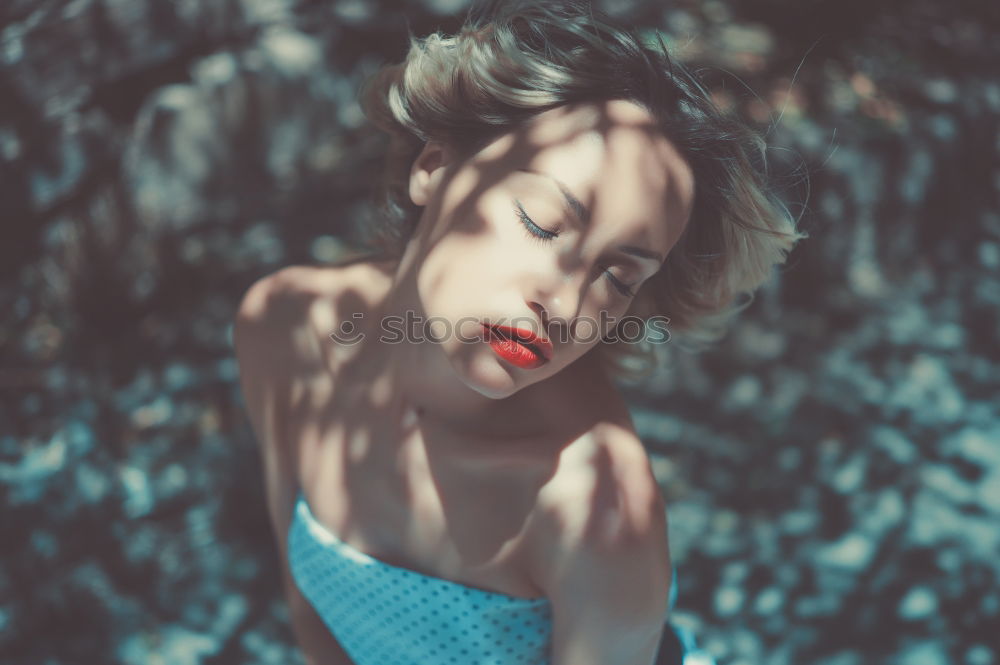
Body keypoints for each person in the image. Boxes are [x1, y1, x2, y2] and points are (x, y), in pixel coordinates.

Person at [233, 1, 806, 664]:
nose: (562, 301)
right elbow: (310, 618)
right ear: (435, 165)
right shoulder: (282, 327)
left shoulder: (595, 508)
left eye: (618, 278)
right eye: (542, 224)